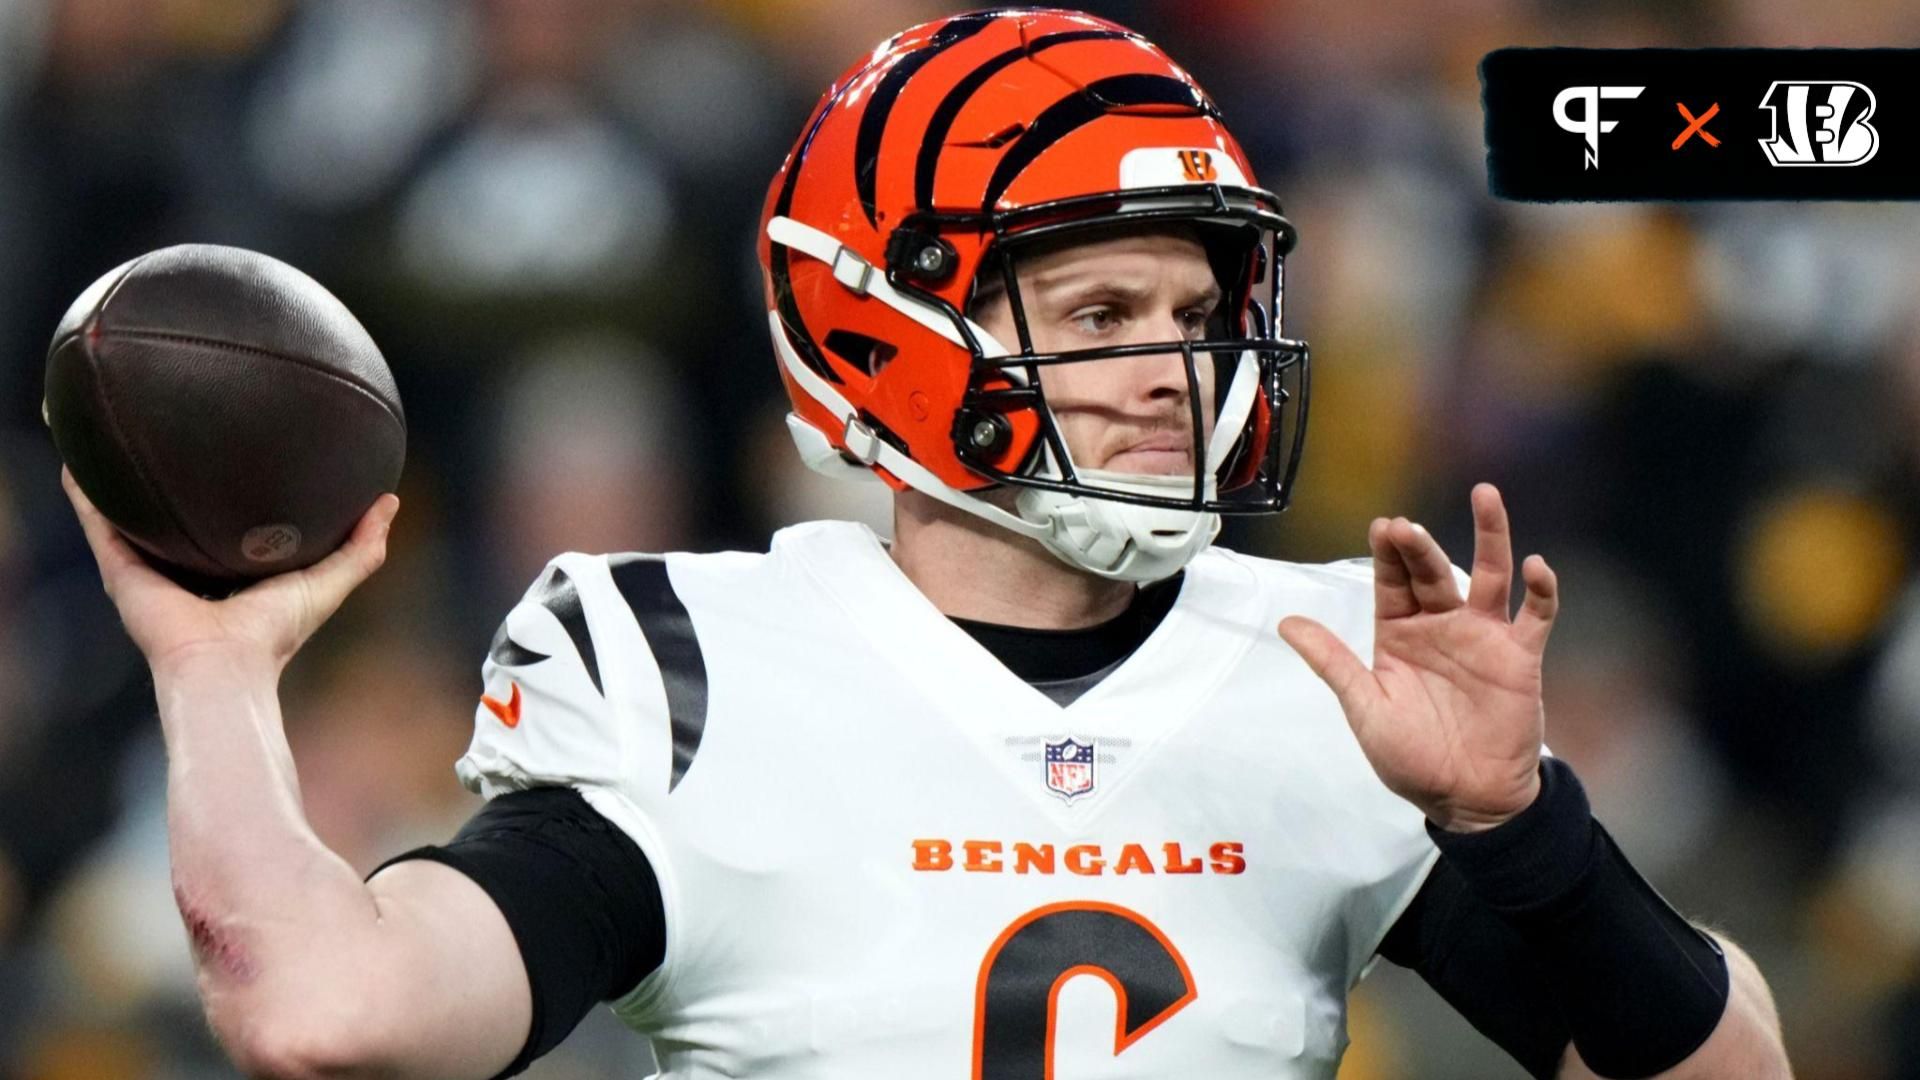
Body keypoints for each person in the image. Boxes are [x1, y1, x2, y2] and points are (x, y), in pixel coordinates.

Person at [62, 9, 1791, 1079]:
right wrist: (213, 671)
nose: (1175, 376)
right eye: (1104, 306)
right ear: (878, 327)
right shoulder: (695, 673)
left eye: (1198, 314)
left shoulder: (1325, 666)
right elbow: (326, 1014)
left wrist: (1522, 832)